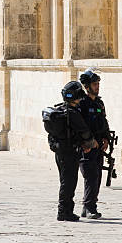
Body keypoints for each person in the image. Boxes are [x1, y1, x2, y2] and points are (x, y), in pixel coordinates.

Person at [50, 81, 98, 222]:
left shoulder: (59, 111)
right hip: (70, 153)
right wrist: (91, 143)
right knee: (69, 182)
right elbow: (84, 131)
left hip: (60, 151)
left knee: (65, 181)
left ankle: (66, 210)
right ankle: (64, 212)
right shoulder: (72, 113)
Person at [78, 68, 111, 219]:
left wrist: (106, 138)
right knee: (90, 176)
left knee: (96, 177)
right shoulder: (81, 104)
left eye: (98, 83)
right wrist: (87, 143)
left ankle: (89, 206)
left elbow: (104, 122)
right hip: (86, 147)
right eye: (94, 84)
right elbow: (78, 126)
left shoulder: (99, 103)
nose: (97, 86)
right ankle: (89, 206)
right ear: (87, 86)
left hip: (98, 146)